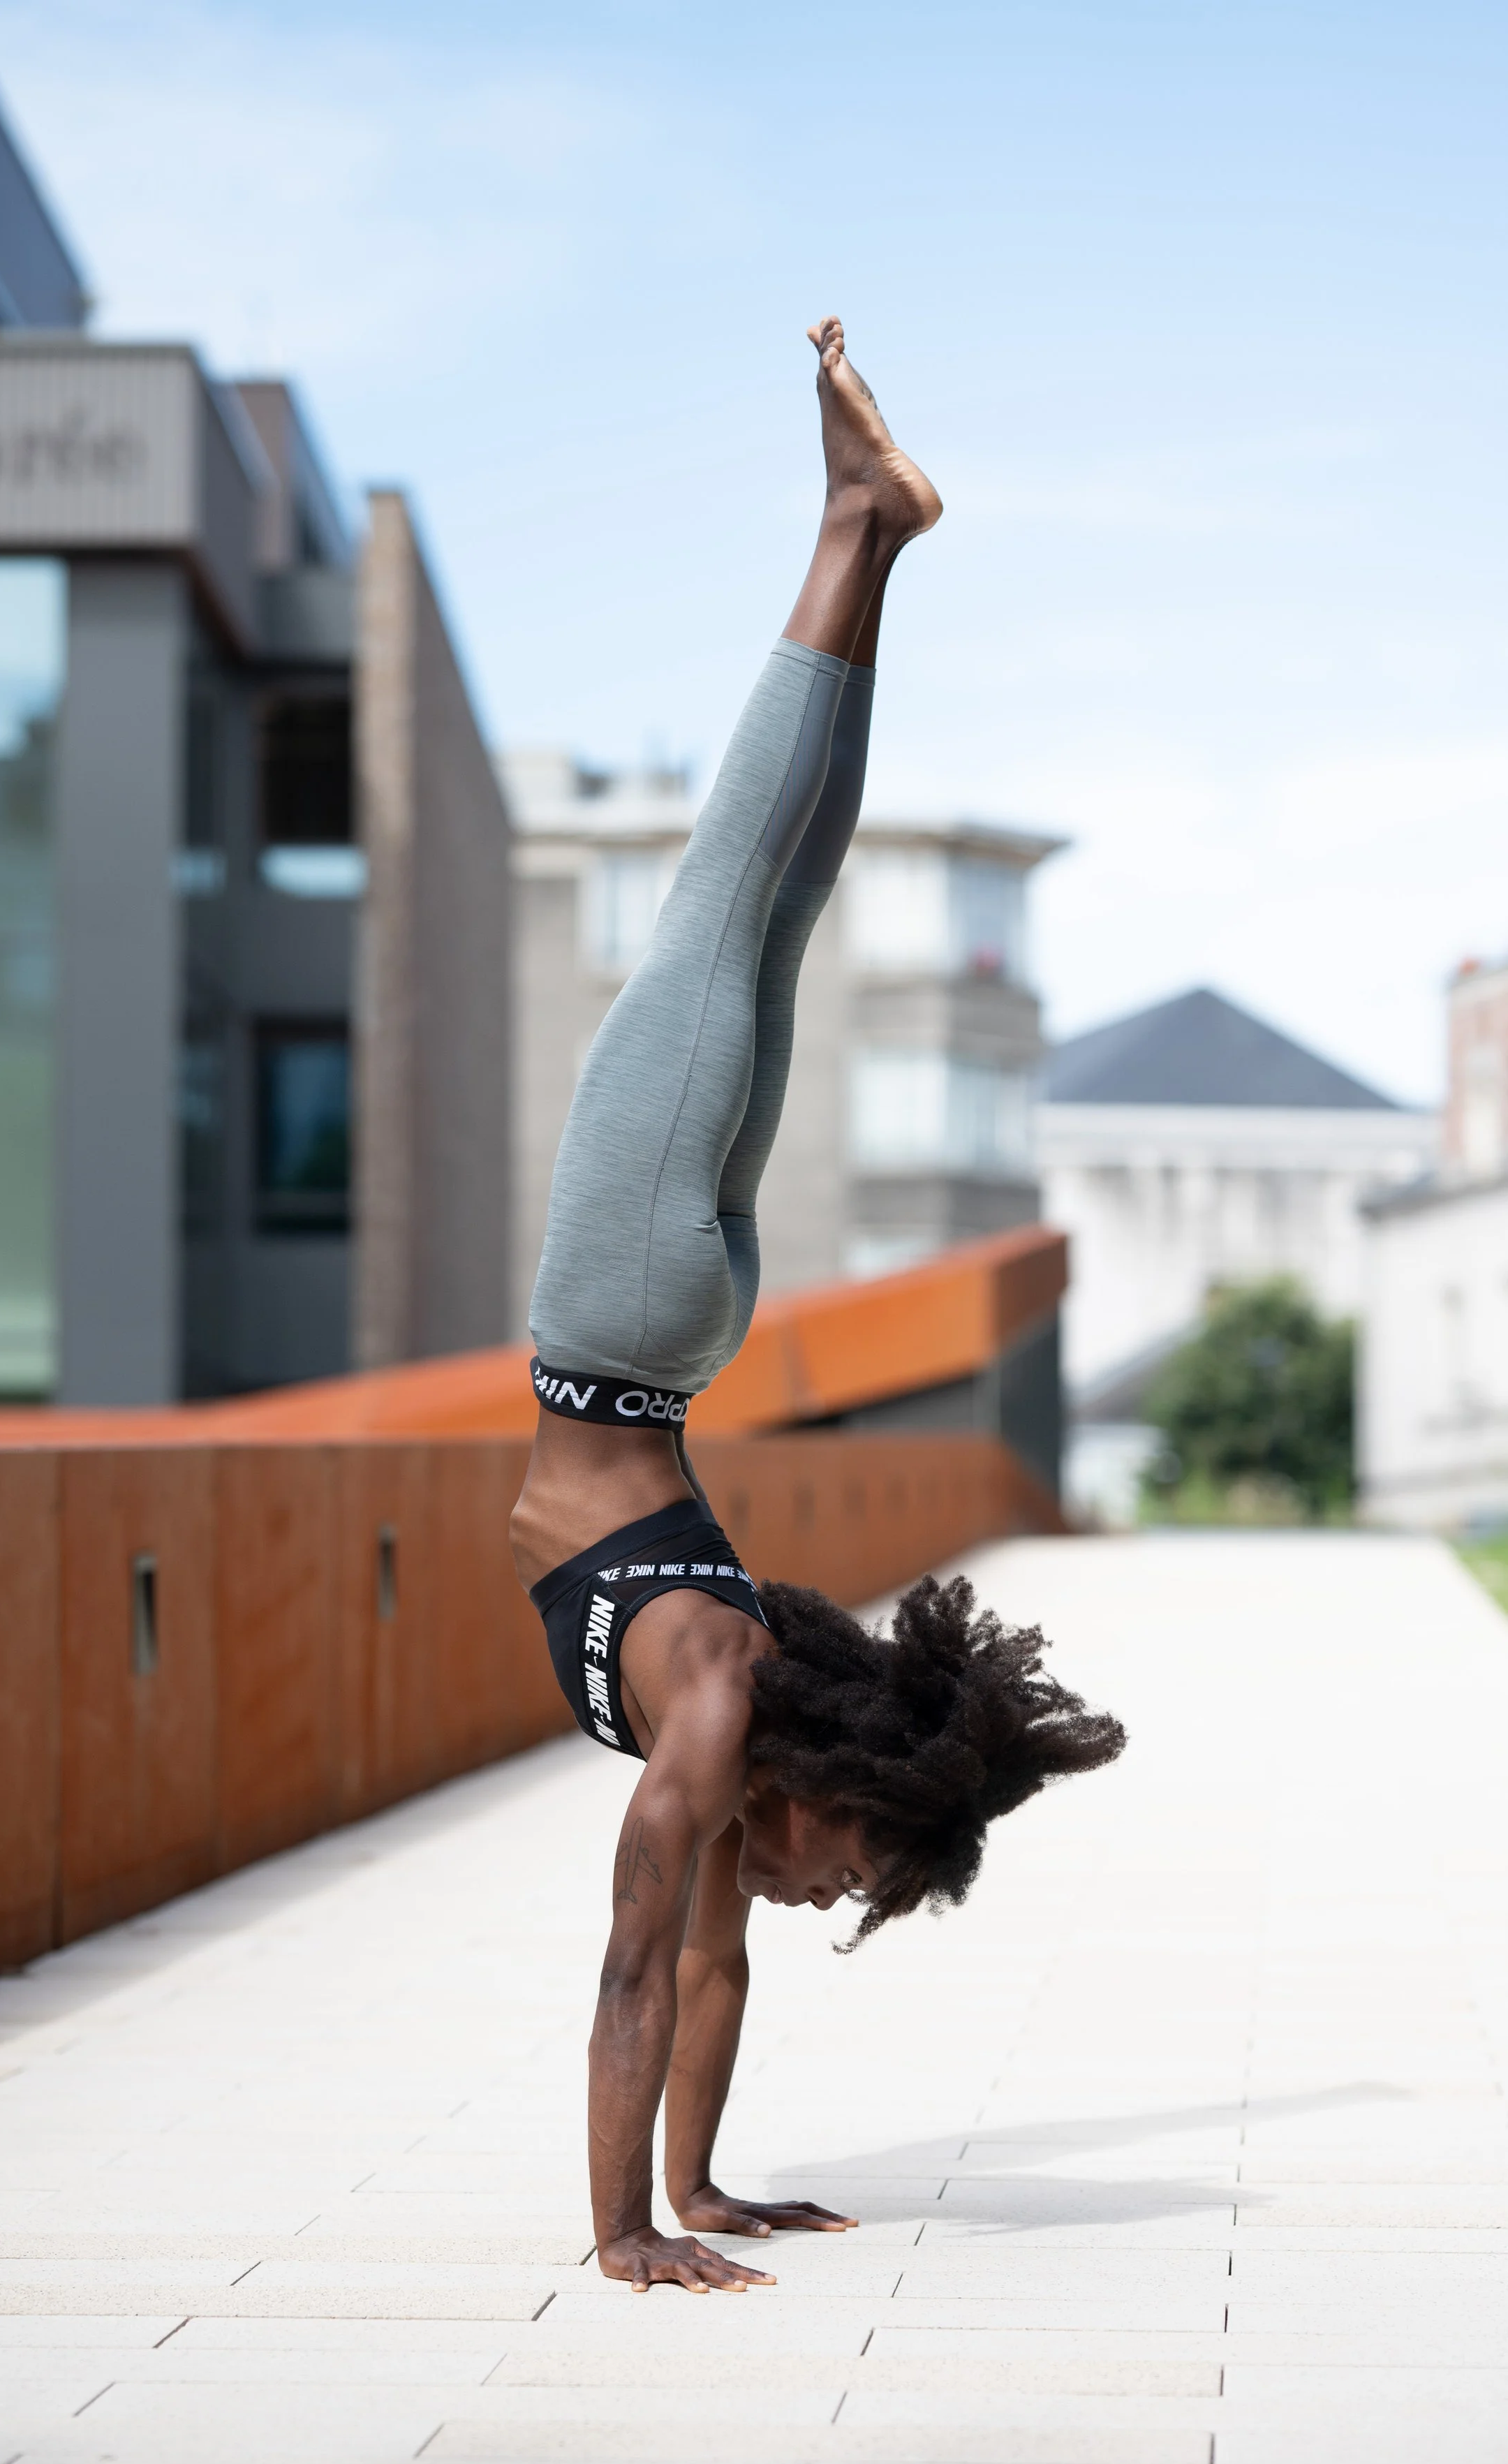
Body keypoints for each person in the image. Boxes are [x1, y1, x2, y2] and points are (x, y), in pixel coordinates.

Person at [510, 320, 1123, 2296]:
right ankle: (858, 529)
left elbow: (703, 1966)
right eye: (837, 1865)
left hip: (670, 1329)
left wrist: (701, 2192)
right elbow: (631, 1971)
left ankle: (874, 532)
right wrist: (621, 2234)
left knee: (761, 920)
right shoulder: (709, 1711)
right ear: (818, 1786)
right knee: (725, 903)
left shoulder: (728, 1733)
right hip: (624, 1317)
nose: (804, 1894)